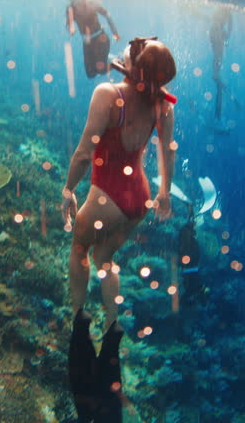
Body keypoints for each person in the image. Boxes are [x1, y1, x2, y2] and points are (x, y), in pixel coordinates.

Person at [61, 37, 177, 422]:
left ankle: (79, 320)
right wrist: (163, 193)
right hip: (137, 198)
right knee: (106, 257)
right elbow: (167, 149)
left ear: (134, 63)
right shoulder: (162, 103)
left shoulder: (109, 94)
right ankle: (112, 329)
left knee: (80, 248)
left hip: (107, 194)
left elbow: (83, 149)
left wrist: (68, 188)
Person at [67, 0, 120, 78]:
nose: (77, 5)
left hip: (100, 39)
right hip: (87, 42)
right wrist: (71, 29)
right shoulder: (70, 9)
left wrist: (115, 32)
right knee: (90, 74)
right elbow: (69, 24)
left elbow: (107, 15)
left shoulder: (91, 3)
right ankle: (109, 57)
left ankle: (119, 60)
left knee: (101, 70)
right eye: (73, 1)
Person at [209, 8, 232, 122]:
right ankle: (217, 115)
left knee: (218, 85)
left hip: (219, 35)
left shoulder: (218, 28)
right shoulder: (216, 28)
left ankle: (217, 115)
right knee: (218, 83)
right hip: (218, 35)